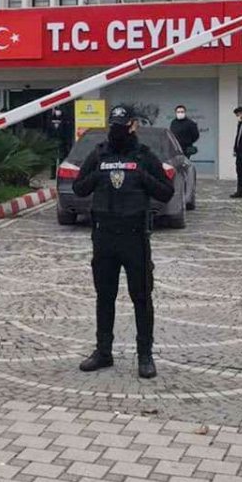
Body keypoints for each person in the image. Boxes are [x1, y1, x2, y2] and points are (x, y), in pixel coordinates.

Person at [72, 104, 175, 378]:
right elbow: (79, 188)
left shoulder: (144, 156)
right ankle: (103, 352)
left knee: (141, 297)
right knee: (104, 296)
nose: (118, 130)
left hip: (134, 238)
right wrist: (98, 176)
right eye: (114, 125)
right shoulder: (99, 154)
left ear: (134, 126)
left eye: (123, 125)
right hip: (104, 237)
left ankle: (145, 355)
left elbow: (166, 192)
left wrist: (142, 177)